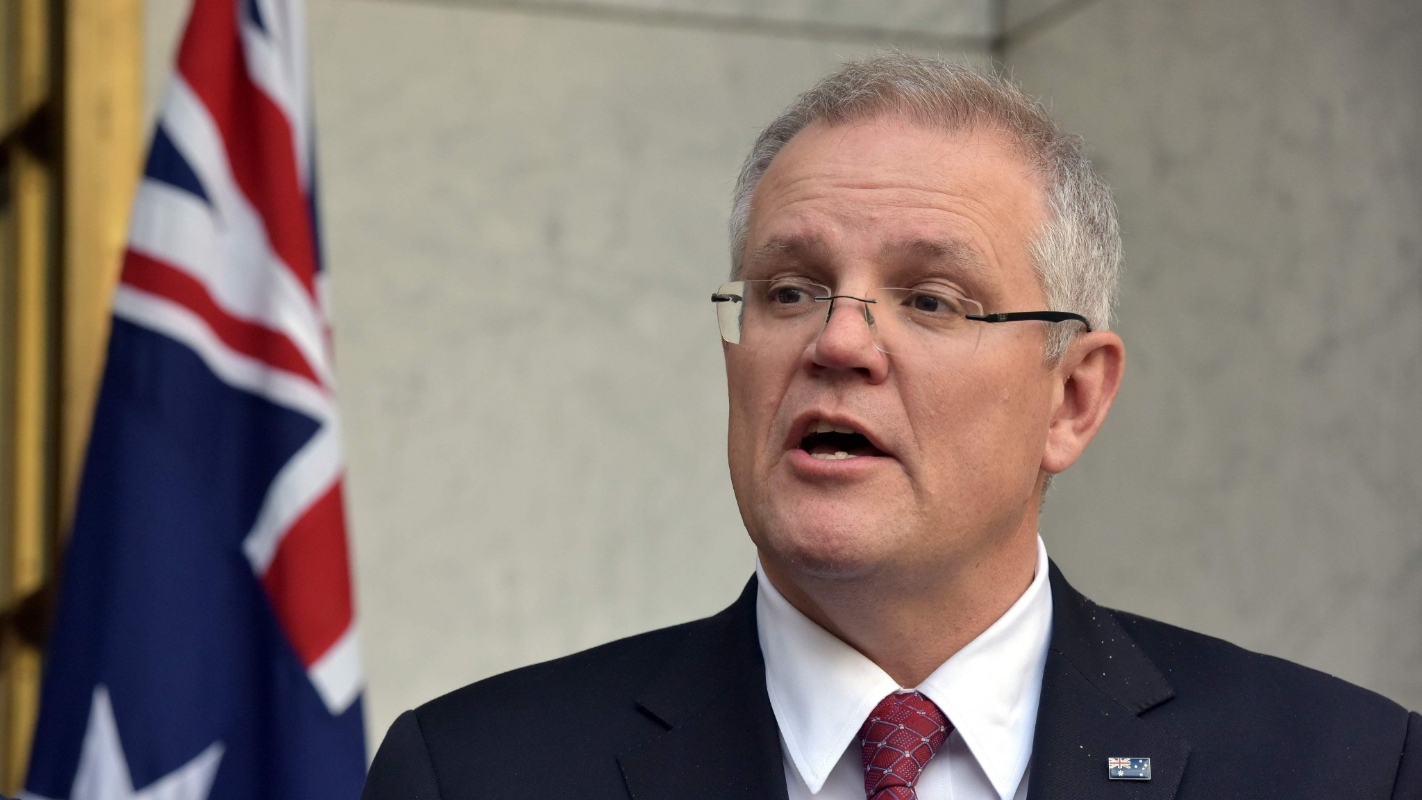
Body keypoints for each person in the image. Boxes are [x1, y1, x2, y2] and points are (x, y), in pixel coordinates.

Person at [360, 54, 1420, 800]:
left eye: (931, 300)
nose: (838, 341)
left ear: (1072, 398)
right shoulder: (476, 773)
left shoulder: (1345, 769)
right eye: (789, 289)